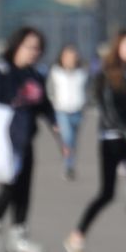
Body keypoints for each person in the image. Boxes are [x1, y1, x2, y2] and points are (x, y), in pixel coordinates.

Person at [65, 31, 126, 252]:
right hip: (112, 139)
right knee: (107, 193)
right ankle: (76, 237)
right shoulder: (106, 75)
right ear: (118, 47)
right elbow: (109, 111)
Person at [0, 26, 66, 252]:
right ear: (17, 45)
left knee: (25, 189)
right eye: (30, 47)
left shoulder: (35, 75)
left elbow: (44, 105)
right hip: (5, 141)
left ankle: (19, 237)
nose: (35, 52)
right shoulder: (2, 72)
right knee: (9, 187)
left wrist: (56, 128)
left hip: (25, 139)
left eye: (38, 49)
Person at [50, 45, 89, 180]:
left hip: (78, 111)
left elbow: (88, 89)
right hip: (62, 111)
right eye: (67, 56)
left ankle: (70, 163)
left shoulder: (82, 72)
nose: (71, 59)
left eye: (73, 56)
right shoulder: (55, 72)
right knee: (67, 139)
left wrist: (86, 104)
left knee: (73, 141)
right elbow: (50, 91)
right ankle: (68, 167)